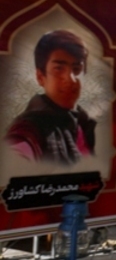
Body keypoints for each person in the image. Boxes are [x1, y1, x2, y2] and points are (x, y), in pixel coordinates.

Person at [6, 29, 96, 165]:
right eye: (59, 69)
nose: (70, 79)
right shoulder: (29, 131)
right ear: (40, 77)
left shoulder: (83, 124)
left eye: (77, 69)